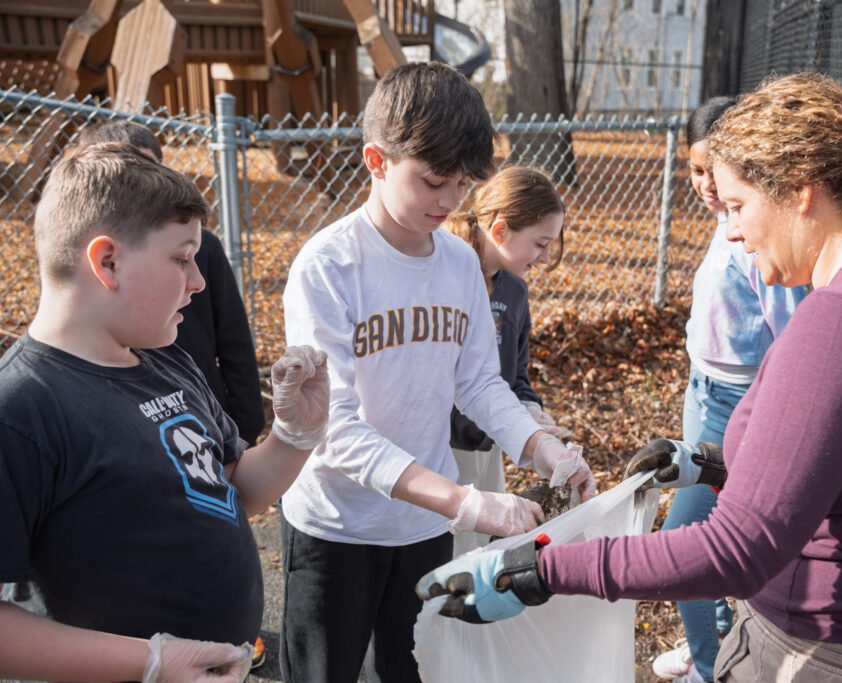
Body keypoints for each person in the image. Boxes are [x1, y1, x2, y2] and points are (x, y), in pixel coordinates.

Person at [417, 73, 842, 682]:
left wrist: (541, 571)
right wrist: (712, 461)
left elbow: (736, 550)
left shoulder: (841, 321)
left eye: (738, 207)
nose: (731, 230)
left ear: (801, 191)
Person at [279, 62, 597, 683]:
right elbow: (334, 429)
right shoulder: (328, 266)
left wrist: (540, 445)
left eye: (461, 183)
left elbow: (479, 382)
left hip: (424, 529)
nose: (451, 201)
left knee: (417, 670)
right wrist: (465, 501)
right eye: (432, 182)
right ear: (376, 160)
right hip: (336, 528)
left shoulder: (457, 264)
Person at [0, 142, 330, 681]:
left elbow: (231, 489)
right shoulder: (21, 410)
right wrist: (148, 662)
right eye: (181, 258)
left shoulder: (165, 362)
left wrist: (295, 436)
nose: (198, 281)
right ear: (107, 261)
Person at [651, 96, 805, 683]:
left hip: (738, 405)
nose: (704, 185)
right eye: (693, 170)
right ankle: (710, 636)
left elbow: (793, 337)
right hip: (702, 391)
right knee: (699, 529)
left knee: (684, 539)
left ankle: (714, 669)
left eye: (713, 170)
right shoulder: (727, 219)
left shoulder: (757, 231)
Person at [77, 119, 267, 446]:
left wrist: (247, 424)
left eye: (148, 170)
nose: (194, 282)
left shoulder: (203, 248)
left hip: (206, 421)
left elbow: (234, 337)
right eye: (127, 175)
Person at [445, 166, 570, 556]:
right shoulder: (443, 278)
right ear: (500, 232)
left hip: (489, 448)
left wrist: (530, 410)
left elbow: (515, 375)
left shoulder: (514, 291)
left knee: (477, 556)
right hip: (441, 453)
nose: (547, 257)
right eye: (540, 243)